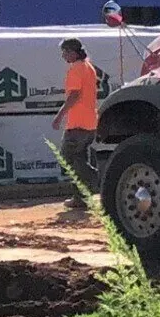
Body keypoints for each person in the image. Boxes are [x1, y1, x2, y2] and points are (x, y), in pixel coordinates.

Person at [53, 38, 99, 211]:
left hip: (78, 124)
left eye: (64, 52)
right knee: (79, 158)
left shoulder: (76, 69)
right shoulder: (88, 67)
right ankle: (80, 198)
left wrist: (59, 116)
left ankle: (98, 180)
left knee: (68, 159)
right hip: (90, 122)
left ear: (72, 52)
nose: (63, 56)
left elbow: (74, 95)